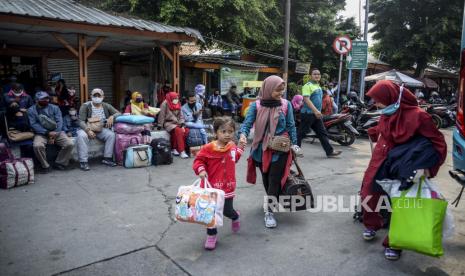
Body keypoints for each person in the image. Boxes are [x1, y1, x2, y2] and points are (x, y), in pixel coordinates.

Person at [360, 80, 447, 261]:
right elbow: (387, 130)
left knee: (401, 204)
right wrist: (374, 131)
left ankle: (395, 243)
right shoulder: (387, 113)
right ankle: (372, 223)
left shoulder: (419, 116)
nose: (375, 104)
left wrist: (430, 168)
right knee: (368, 192)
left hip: (404, 163)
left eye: (378, 100)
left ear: (391, 97)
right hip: (380, 158)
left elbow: (438, 142)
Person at [239, 75, 300, 228]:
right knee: (266, 179)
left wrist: (295, 144)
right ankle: (271, 199)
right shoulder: (256, 105)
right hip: (260, 149)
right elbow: (247, 124)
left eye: (282, 90)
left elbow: (291, 126)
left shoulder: (286, 105)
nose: (281, 93)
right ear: (268, 89)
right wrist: (242, 135)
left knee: (274, 179)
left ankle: (270, 212)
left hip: (280, 148)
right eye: (277, 90)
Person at [193, 116, 246, 250]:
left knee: (227, 211)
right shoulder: (208, 148)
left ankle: (235, 216)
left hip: (227, 187)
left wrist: (240, 147)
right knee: (210, 213)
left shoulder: (232, 146)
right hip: (211, 187)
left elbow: (235, 158)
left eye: (230, 131)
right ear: (216, 132)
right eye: (223, 131)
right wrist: (201, 170)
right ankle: (212, 235)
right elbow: (198, 161)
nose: (227, 134)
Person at [297, 69, 342, 157]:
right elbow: (306, 99)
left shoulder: (318, 86)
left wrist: (330, 98)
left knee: (322, 133)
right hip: (308, 114)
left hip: (316, 114)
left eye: (318, 74)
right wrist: (316, 111)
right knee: (301, 133)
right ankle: (295, 151)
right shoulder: (307, 86)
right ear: (311, 76)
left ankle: (329, 152)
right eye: (315, 74)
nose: (317, 75)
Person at [27, 91, 74, 173]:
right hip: (41, 133)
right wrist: (47, 133)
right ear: (37, 100)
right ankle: (45, 165)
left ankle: (60, 162)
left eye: (47, 98)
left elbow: (59, 122)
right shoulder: (31, 110)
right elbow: (33, 124)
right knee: (37, 146)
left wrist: (53, 135)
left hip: (56, 132)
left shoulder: (55, 108)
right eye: (43, 99)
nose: (46, 100)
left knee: (69, 144)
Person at [76, 88, 119, 171]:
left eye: (99, 95)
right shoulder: (85, 106)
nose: (97, 97)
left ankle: (107, 158)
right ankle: (83, 162)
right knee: (81, 135)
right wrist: (88, 130)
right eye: (94, 95)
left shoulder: (106, 105)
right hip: (87, 128)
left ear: (103, 96)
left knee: (111, 135)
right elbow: (80, 121)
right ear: (91, 96)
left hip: (100, 129)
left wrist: (112, 116)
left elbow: (118, 113)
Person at [158, 92, 189, 159]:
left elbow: (181, 116)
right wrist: (160, 124)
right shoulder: (165, 104)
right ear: (171, 98)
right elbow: (162, 115)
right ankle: (182, 151)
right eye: (175, 98)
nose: (176, 100)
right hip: (168, 123)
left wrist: (182, 123)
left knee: (186, 131)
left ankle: (175, 148)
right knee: (178, 130)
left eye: (177, 98)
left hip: (177, 123)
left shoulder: (178, 103)